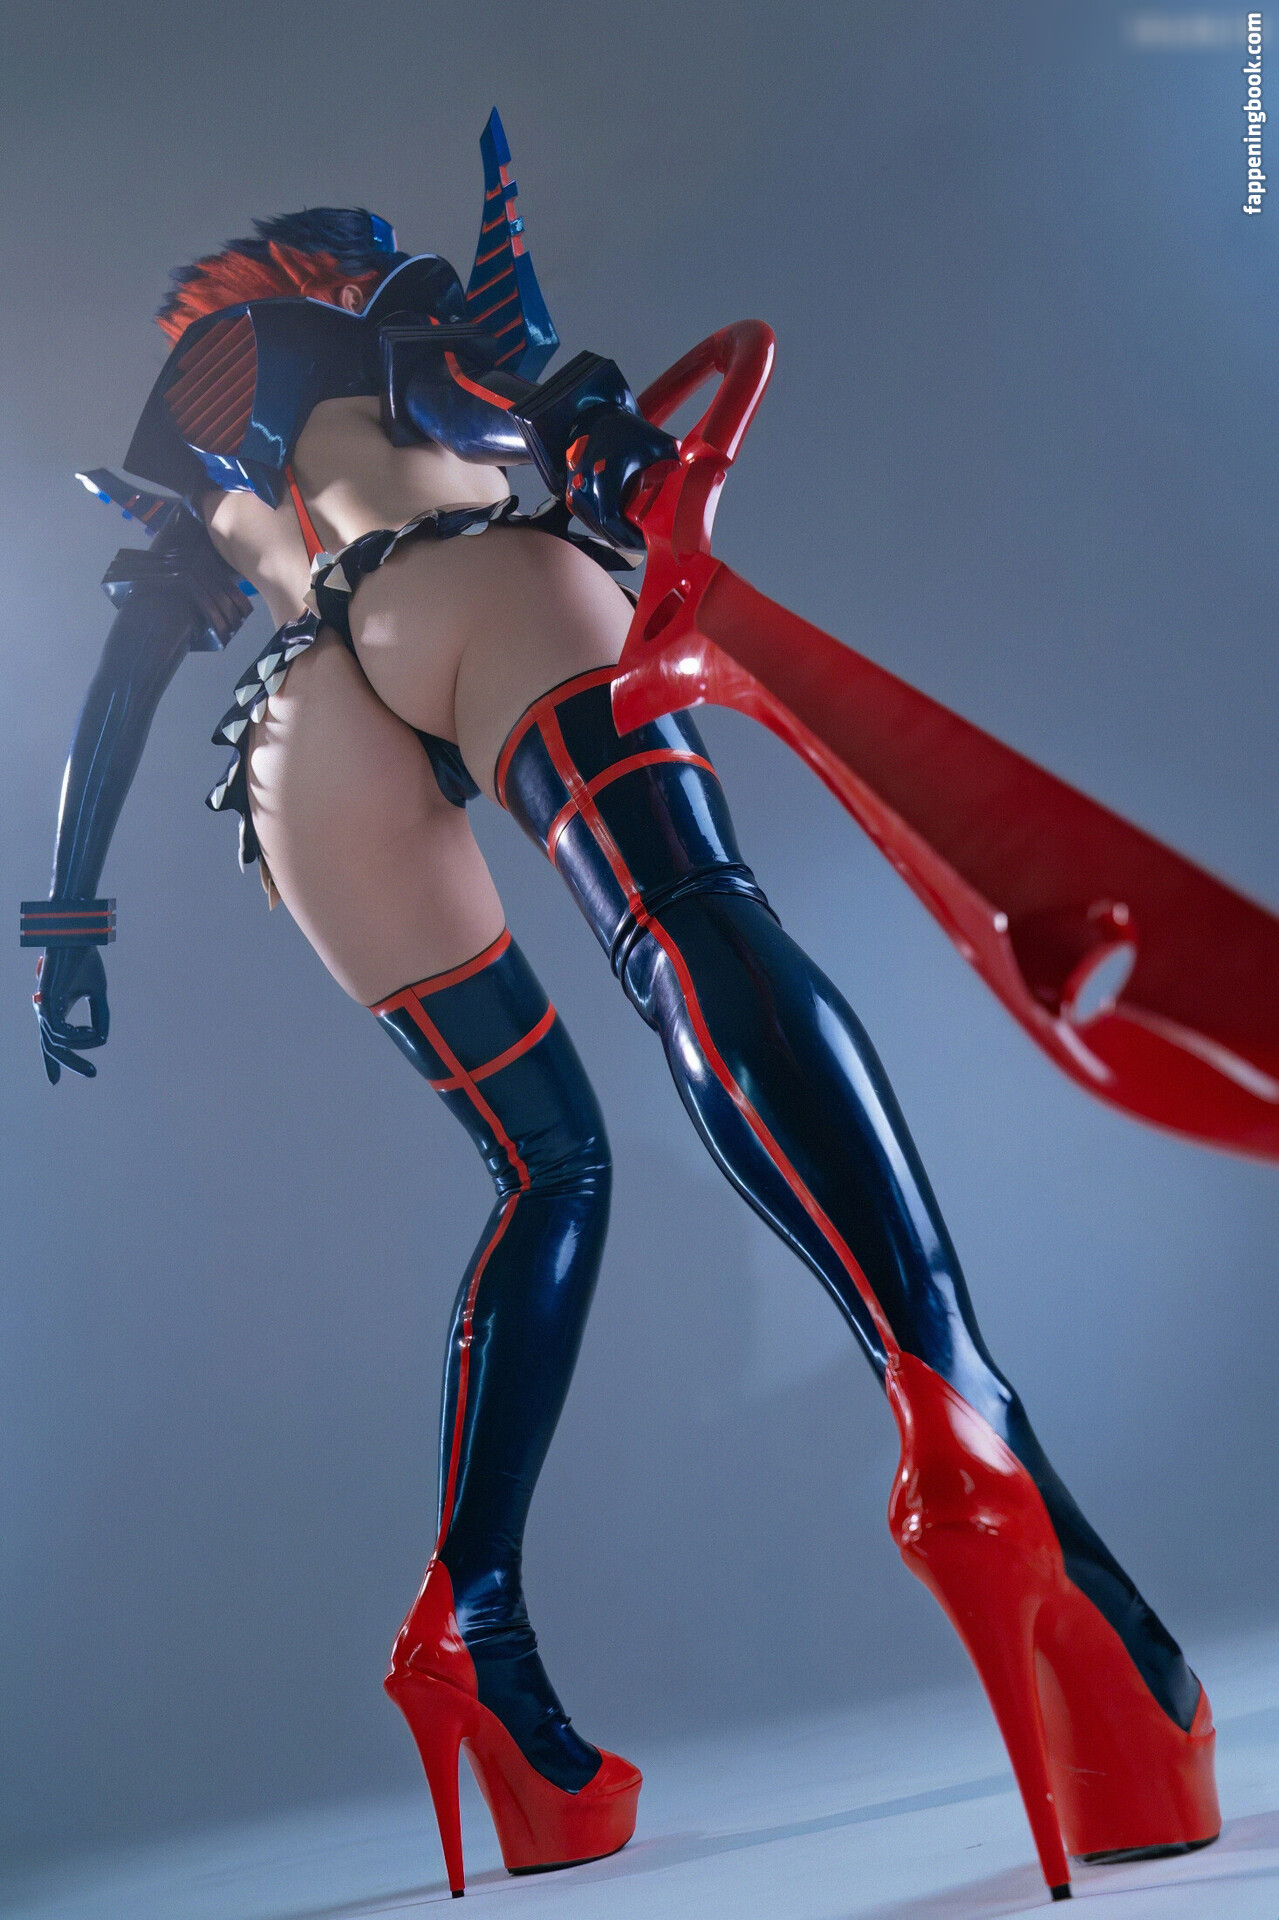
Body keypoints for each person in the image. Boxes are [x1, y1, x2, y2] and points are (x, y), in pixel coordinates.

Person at [25, 131, 1219, 1902]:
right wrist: (601, 439)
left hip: (301, 742)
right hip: (463, 585)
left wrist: (66, 922)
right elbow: (495, 372)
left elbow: (132, 666)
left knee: (546, 1167)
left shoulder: (189, 433)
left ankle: (475, 1629)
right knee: (689, 925)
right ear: (325, 260)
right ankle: (965, 1426)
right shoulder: (368, 308)